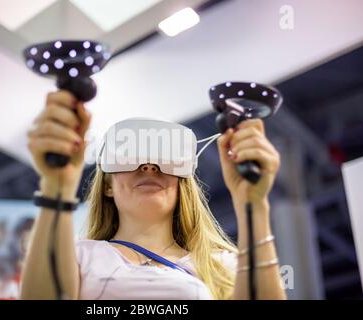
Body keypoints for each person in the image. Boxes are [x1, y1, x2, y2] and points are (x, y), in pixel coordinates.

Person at [20, 90, 286, 300]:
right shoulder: (78, 255)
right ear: (107, 186)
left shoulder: (224, 267)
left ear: (183, 183)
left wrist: (253, 202)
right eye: (130, 158)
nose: (149, 167)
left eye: (164, 159)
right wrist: (57, 187)